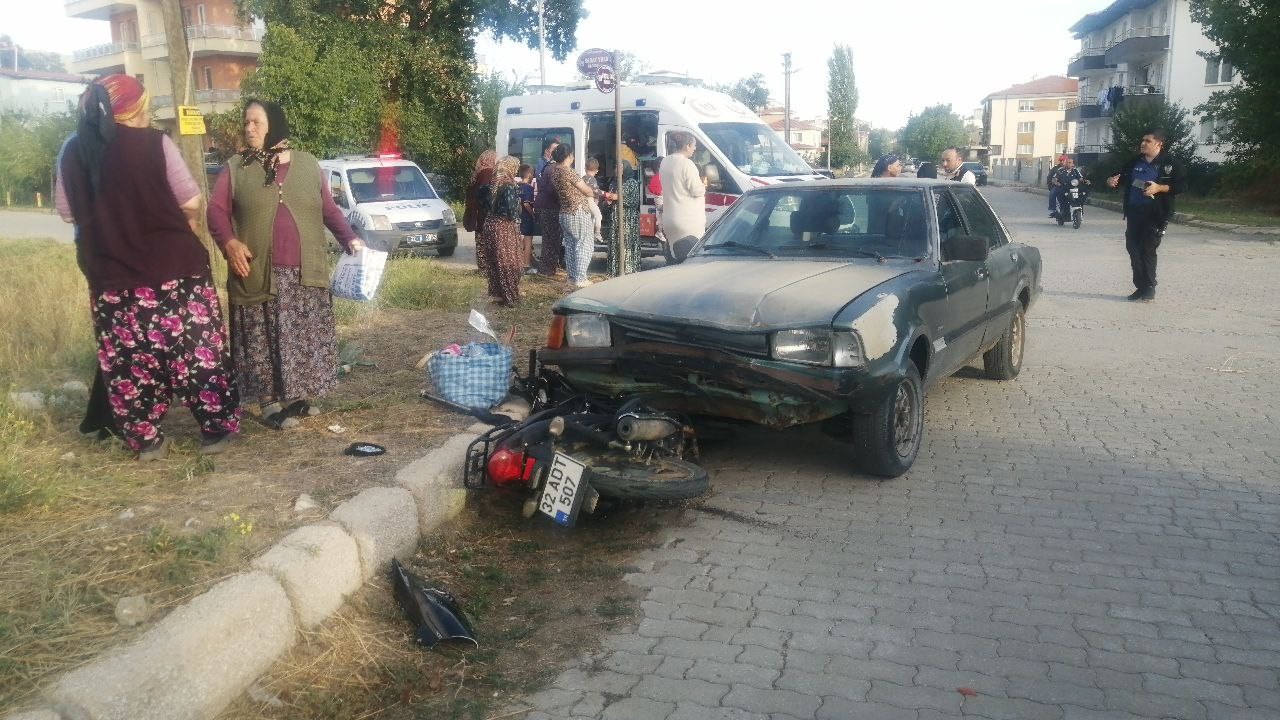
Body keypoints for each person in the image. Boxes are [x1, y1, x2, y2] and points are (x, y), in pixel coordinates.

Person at [55, 74, 241, 459]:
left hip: (111, 277)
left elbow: (66, 213)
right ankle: (216, 431)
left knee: (129, 361)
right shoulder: (155, 144)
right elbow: (191, 201)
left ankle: (146, 440)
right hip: (175, 271)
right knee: (195, 351)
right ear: (134, 107)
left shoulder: (72, 150)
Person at [208, 99, 363, 428]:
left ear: (274, 125)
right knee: (262, 338)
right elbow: (216, 212)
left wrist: (350, 238)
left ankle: (296, 397)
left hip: (304, 272)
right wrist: (229, 242)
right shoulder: (236, 168)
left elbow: (329, 211)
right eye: (246, 122)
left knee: (299, 337)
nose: (249, 128)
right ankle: (268, 402)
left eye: (256, 122)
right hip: (258, 272)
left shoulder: (308, 165)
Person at [1106, 128, 1186, 301]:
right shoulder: (1135, 162)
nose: (1143, 143)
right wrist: (1111, 180)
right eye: (1142, 140)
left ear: (1159, 143)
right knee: (1133, 249)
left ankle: (1149, 287)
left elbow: (1180, 187)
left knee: (1147, 249)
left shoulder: (1170, 164)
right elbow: (1119, 176)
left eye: (1147, 141)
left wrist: (1159, 187)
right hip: (1134, 212)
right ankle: (1141, 286)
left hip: (1156, 214)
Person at [549, 144, 614, 288]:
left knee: (571, 246)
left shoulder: (554, 172)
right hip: (577, 211)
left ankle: (572, 277)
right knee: (584, 245)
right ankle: (581, 278)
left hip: (565, 212)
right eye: (572, 155)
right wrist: (593, 192)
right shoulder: (568, 172)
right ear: (569, 156)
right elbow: (587, 191)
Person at [481, 156, 525, 306]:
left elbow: (482, 203)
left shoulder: (490, 185)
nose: (516, 170)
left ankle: (497, 294)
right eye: (515, 167)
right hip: (504, 227)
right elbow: (514, 212)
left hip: (490, 224)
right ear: (510, 168)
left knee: (494, 262)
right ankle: (511, 297)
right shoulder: (508, 186)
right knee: (509, 262)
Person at [658, 131, 707, 245]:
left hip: (669, 219)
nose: (695, 148)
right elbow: (696, 191)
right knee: (688, 258)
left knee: (674, 256)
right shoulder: (687, 164)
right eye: (694, 145)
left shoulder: (665, 161)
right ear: (687, 146)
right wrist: (703, 184)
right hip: (688, 222)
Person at [534, 140, 564, 276]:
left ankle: (548, 268)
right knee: (551, 238)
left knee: (550, 238)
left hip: (546, 206)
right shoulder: (552, 168)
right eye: (554, 149)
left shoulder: (549, 167)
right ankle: (547, 269)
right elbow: (552, 190)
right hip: (549, 207)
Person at [608, 158, 643, 276]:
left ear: (626, 168)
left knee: (627, 245)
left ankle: (629, 270)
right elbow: (610, 199)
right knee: (616, 244)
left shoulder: (631, 182)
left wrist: (617, 197)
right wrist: (607, 201)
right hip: (616, 219)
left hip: (628, 220)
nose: (617, 170)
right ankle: (616, 270)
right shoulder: (614, 182)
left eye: (620, 167)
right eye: (616, 167)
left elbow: (633, 201)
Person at [464, 150, 497, 273]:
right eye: (495, 158)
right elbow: (485, 193)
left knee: (480, 239)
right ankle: (484, 268)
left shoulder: (479, 171)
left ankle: (482, 267)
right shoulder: (487, 172)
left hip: (477, 211)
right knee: (484, 240)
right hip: (483, 212)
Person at [517, 163, 537, 273]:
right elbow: (526, 204)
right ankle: (526, 265)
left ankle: (518, 263)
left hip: (518, 217)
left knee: (519, 240)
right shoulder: (529, 188)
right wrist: (533, 214)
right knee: (528, 240)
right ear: (529, 175)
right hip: (527, 217)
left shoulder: (517, 187)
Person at [582, 157, 604, 246]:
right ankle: (597, 233)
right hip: (590, 200)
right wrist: (604, 194)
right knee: (598, 216)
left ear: (585, 168)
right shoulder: (592, 179)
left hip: (583, 201)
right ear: (596, 170)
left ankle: (590, 235)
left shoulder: (583, 178)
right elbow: (595, 190)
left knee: (590, 218)